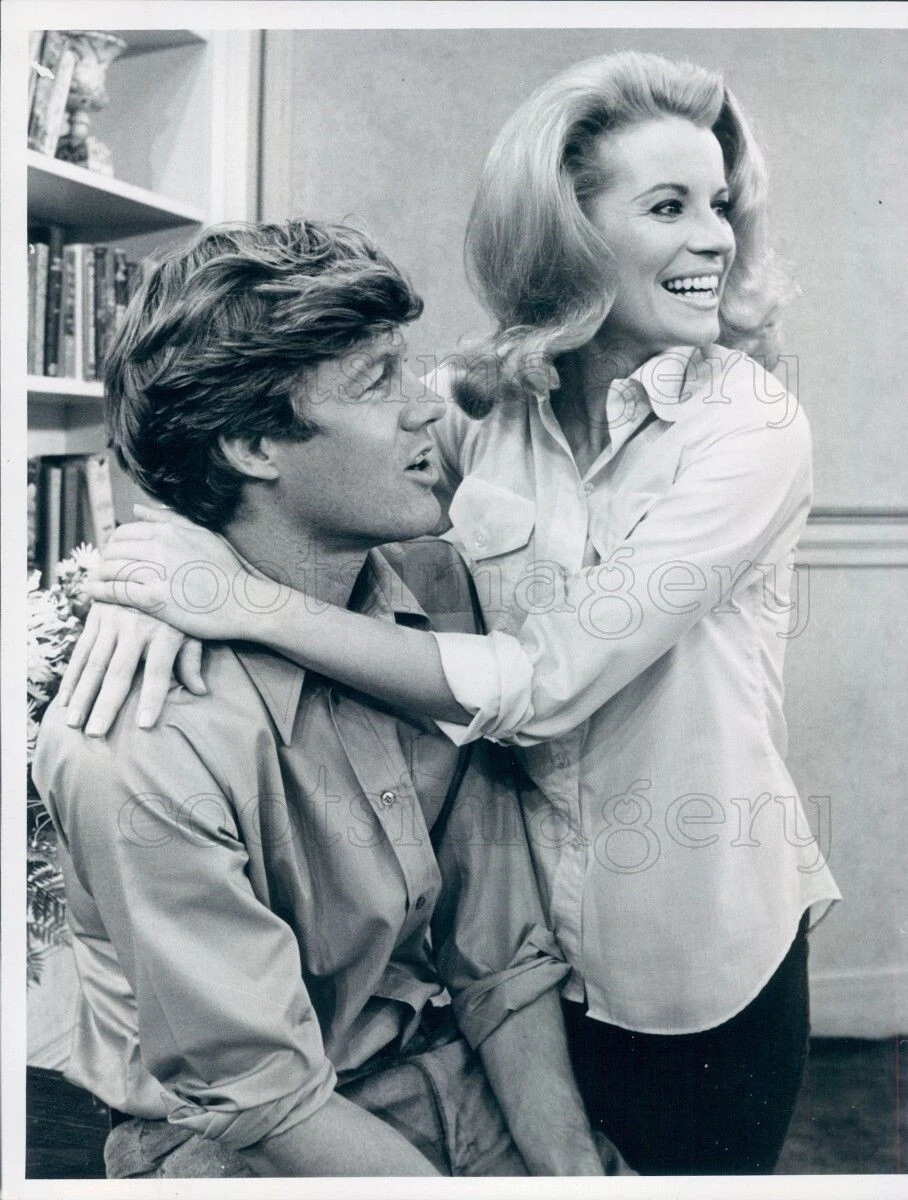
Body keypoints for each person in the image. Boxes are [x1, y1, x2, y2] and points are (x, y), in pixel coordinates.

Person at [64, 50, 841, 1174]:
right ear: (565, 235)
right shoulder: (486, 407)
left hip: (690, 945)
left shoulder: (750, 424)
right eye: (669, 206)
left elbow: (542, 683)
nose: (716, 238)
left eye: (719, 204)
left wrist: (239, 604)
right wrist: (153, 571)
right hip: (522, 977)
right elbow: (234, 428)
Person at [32, 219, 626, 1179]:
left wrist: (574, 1177)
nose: (428, 408)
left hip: (449, 1078)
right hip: (248, 1143)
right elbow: (267, 1096)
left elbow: (501, 959)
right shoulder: (137, 740)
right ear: (252, 443)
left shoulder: (435, 588)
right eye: (377, 379)